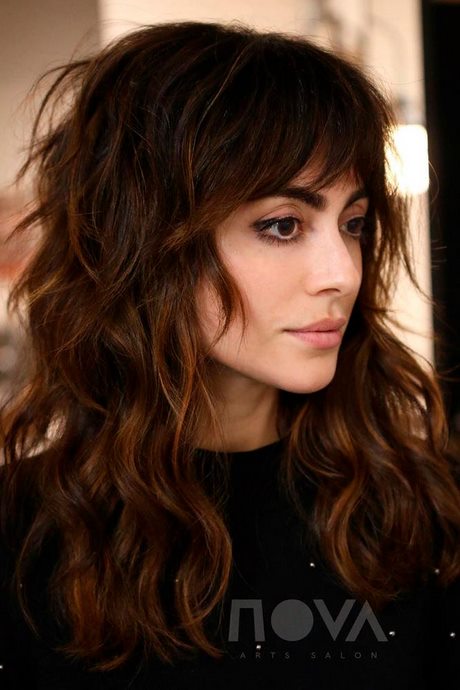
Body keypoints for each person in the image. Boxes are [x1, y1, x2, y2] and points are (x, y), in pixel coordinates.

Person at [0, 20, 459, 690]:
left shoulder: (423, 508)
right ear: (145, 242)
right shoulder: (23, 535)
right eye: (283, 225)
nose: (342, 273)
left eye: (354, 224)